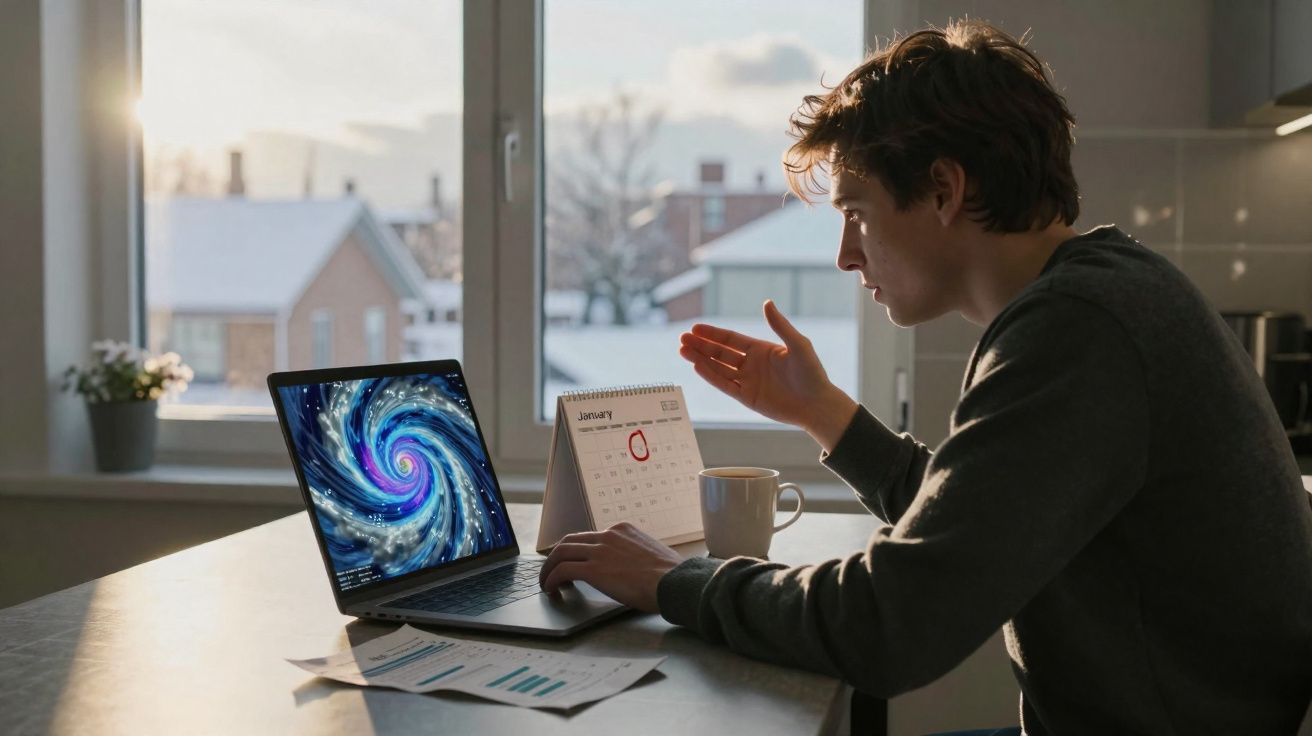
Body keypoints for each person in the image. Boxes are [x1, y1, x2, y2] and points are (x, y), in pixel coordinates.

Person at [538, 19, 1312, 734]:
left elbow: (891, 622)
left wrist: (678, 582)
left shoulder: (1079, 328)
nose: (846, 253)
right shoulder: (1105, 293)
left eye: (858, 213)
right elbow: (983, 527)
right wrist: (829, 417)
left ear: (944, 190)